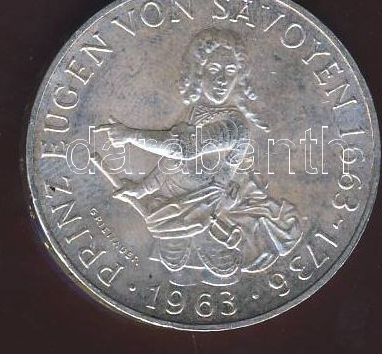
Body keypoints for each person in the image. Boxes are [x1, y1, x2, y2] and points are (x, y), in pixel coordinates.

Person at [99, 29, 302, 285]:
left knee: (222, 268)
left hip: (211, 208)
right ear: (198, 72)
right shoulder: (193, 114)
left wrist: (131, 135)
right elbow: (170, 165)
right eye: (214, 69)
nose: (221, 79)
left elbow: (185, 148)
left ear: (239, 77)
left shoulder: (235, 125)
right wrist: (140, 189)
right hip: (174, 205)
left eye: (230, 71)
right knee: (171, 266)